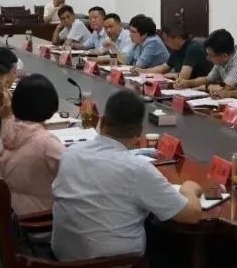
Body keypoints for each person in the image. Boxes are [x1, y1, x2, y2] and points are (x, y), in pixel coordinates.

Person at [51, 90, 203, 262]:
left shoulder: (71, 153)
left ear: (102, 121)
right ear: (139, 132)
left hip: (63, 257)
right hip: (112, 263)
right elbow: (191, 215)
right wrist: (188, 189)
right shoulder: (137, 169)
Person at [0, 74, 65, 215]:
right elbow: (76, 174)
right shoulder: (46, 143)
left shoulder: (7, 132)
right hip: (39, 218)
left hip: (10, 210)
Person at [174, 28, 237, 93]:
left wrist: (206, 87)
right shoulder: (221, 61)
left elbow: (225, 89)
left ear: (225, 56)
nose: (207, 58)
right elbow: (207, 79)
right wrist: (186, 83)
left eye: (210, 55)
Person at [139, 21, 212, 82]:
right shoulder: (177, 49)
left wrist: (173, 75)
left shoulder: (192, 49)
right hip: (184, 86)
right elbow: (164, 68)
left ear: (178, 38)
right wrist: (142, 71)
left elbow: (183, 77)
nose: (165, 43)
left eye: (167, 39)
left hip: (198, 87)